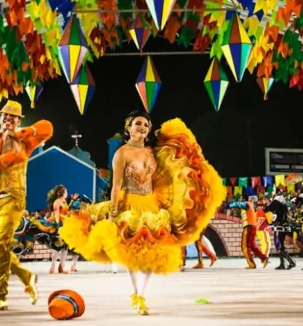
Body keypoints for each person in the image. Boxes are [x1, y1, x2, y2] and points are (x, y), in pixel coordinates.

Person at [60, 111, 225, 315]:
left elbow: (170, 165)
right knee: (131, 253)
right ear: (128, 127)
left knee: (151, 254)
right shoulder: (122, 153)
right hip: (130, 203)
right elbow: (116, 185)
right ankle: (135, 294)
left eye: (146, 125)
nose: (142, 127)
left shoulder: (151, 152)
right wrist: (113, 209)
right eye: (138, 123)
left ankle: (141, 294)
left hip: (153, 204)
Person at [0, 100, 51, 311]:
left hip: (13, 197)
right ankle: (27, 277)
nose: (8, 118)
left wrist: (27, 132)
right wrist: (12, 156)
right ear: (0, 119)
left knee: (1, 244)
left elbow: (47, 128)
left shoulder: (25, 141)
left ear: (19, 120)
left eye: (13, 116)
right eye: (5, 115)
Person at [266, 192, 296, 270]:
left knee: (279, 245)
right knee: (281, 245)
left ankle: (291, 262)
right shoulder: (283, 203)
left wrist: (265, 206)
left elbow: (267, 209)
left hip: (279, 226)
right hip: (284, 226)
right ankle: (282, 264)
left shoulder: (276, 202)